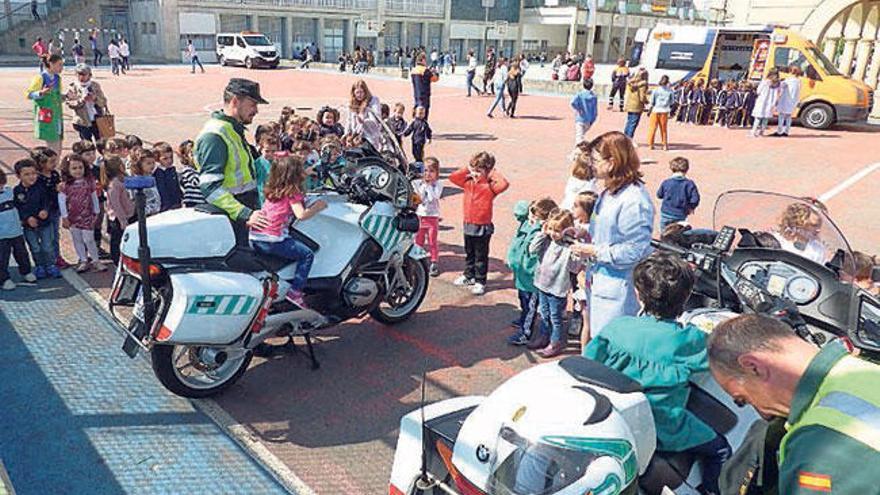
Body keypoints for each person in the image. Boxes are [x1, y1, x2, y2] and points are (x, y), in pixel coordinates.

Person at [586, 252, 732, 495]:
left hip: (620, 421)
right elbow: (719, 356)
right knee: (721, 450)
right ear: (685, 298)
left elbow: (589, 363)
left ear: (638, 294)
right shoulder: (687, 339)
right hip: (665, 429)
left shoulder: (616, 327)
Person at [708, 314, 880, 495]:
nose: (763, 415)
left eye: (744, 399)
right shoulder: (865, 366)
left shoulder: (815, 446)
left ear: (753, 367)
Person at [571, 132, 654, 337]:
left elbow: (635, 250)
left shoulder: (634, 201)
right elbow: (608, 232)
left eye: (595, 159)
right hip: (599, 284)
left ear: (612, 162)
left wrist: (594, 251)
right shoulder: (609, 192)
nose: (591, 164)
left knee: (611, 344)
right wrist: (582, 231)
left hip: (618, 290)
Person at [249, 154, 326, 306]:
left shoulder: (274, 189)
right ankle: (295, 292)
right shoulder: (292, 193)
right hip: (272, 240)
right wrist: (318, 206)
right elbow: (301, 215)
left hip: (255, 237)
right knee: (307, 255)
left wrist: (308, 172)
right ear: (295, 176)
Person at [196, 78, 269, 235]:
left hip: (243, 211)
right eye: (253, 104)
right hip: (230, 220)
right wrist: (244, 213)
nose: (256, 110)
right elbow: (210, 188)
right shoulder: (215, 135)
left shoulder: (233, 129)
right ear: (236, 101)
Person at [449, 152, 510, 296]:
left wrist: (491, 173)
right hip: (468, 223)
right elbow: (453, 178)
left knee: (481, 256)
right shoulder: (467, 182)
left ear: (486, 171)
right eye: (474, 170)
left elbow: (504, 184)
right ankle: (468, 275)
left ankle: (480, 281)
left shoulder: (490, 187)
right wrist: (467, 169)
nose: (476, 174)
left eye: (479, 171)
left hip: (483, 226)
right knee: (469, 253)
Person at [529, 209, 585, 358]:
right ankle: (543, 336)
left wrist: (576, 250)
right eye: (551, 229)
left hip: (557, 288)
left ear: (566, 230)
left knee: (555, 316)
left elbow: (574, 268)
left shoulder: (568, 247)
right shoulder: (546, 240)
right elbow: (532, 249)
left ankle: (556, 342)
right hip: (542, 283)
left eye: (557, 230)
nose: (553, 233)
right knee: (544, 313)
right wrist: (542, 233)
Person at [506, 197, 557, 346]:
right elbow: (519, 210)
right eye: (532, 214)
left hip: (532, 278)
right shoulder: (526, 223)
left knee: (530, 306)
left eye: (537, 217)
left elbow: (535, 252)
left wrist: (543, 228)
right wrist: (530, 208)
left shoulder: (543, 234)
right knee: (523, 301)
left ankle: (525, 332)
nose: (532, 218)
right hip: (521, 274)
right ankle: (524, 319)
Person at [58, 153, 104, 273]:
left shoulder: (89, 182)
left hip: (87, 214)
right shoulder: (65, 185)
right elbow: (62, 201)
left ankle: (95, 260)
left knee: (89, 238)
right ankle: (83, 259)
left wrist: (96, 211)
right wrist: (64, 217)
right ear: (67, 170)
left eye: (80, 167)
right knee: (77, 238)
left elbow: (94, 196)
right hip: (73, 216)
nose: (78, 170)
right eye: (74, 168)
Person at [14, 158, 60, 279]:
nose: (31, 177)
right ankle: (39, 265)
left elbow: (47, 200)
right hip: (29, 226)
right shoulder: (17, 191)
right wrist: (27, 218)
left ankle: (51, 265)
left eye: (33, 173)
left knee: (47, 246)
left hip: (45, 223)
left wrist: (45, 210)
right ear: (19, 176)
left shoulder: (41, 187)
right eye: (27, 174)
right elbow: (18, 208)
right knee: (34, 247)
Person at [0, 170, 37, 290]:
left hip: (16, 232)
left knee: (22, 254)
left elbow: (20, 205)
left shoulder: (9, 192)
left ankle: (26, 272)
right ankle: (4, 279)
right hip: (2, 235)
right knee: (2, 258)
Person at [26, 54, 64, 155]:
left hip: (57, 115)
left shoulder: (57, 78)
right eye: (59, 65)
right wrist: (41, 93)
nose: (62, 68)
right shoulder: (40, 78)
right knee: (52, 145)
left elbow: (58, 96)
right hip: (47, 114)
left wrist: (67, 96)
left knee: (59, 145)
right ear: (51, 64)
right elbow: (29, 94)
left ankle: (56, 167)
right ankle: (52, 167)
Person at [413, 157, 443, 277]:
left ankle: (434, 261)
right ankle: (417, 260)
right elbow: (418, 199)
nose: (428, 174)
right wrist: (422, 186)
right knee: (418, 240)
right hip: (420, 215)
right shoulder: (418, 184)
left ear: (436, 173)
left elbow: (433, 197)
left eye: (431, 171)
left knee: (432, 241)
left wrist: (429, 186)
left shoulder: (438, 185)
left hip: (432, 217)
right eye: (425, 171)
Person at [65, 64, 108, 142]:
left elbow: (104, 101)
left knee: (101, 143)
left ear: (90, 75)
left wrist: (95, 98)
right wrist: (82, 100)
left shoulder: (95, 85)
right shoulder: (73, 86)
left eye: (84, 74)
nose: (81, 77)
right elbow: (70, 103)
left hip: (97, 119)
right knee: (87, 145)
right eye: (79, 74)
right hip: (82, 120)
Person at [656, 157, 700, 230]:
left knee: (664, 233)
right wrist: (691, 207)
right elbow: (695, 199)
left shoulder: (666, 182)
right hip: (680, 214)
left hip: (666, 213)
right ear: (686, 170)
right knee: (678, 233)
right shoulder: (689, 184)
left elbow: (659, 195)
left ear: (672, 169)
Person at [345, 79, 383, 150]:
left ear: (365, 92)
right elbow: (349, 121)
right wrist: (346, 134)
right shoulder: (351, 104)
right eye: (357, 93)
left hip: (370, 136)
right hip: (355, 138)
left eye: (361, 92)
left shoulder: (373, 100)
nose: (359, 95)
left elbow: (377, 118)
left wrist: (364, 121)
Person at [647, 75, 674, 151]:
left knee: (652, 128)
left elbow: (652, 101)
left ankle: (650, 144)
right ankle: (664, 144)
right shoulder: (670, 90)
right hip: (664, 111)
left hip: (655, 110)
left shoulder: (656, 90)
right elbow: (672, 101)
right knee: (663, 129)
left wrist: (650, 109)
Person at [152, 142, 181, 212]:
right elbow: (162, 191)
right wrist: (167, 206)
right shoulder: (159, 173)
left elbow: (177, 186)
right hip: (166, 206)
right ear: (157, 159)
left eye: (171, 157)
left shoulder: (172, 169)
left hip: (177, 203)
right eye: (165, 158)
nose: (169, 161)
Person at [751, 69, 781, 137]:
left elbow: (758, 91)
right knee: (766, 118)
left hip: (762, 101)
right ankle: (761, 132)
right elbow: (779, 92)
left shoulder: (765, 82)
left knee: (758, 118)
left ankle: (753, 132)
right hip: (771, 102)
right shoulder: (778, 83)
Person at [411, 53, 439, 121]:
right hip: (424, 95)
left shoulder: (413, 70)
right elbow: (435, 79)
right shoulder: (425, 70)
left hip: (416, 94)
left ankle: (415, 125)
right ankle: (422, 127)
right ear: (423, 60)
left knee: (416, 110)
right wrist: (435, 72)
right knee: (424, 113)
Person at [774, 66, 802, 137]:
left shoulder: (788, 80)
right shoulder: (798, 81)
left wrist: (780, 80)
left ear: (790, 72)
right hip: (793, 101)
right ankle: (786, 131)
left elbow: (780, 85)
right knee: (789, 116)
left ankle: (779, 131)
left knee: (781, 116)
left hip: (785, 100)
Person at [570, 78, 598, 146]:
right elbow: (595, 111)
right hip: (588, 120)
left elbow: (572, 102)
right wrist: (593, 120)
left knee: (579, 137)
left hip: (580, 118)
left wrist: (578, 109)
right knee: (582, 135)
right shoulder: (594, 96)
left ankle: (578, 151)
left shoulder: (580, 95)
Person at [177, 140, 204, 208]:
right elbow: (195, 182)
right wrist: (202, 170)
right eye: (192, 154)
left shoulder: (200, 170)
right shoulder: (187, 170)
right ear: (186, 157)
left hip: (203, 201)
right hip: (192, 202)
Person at [623, 69, 649, 139]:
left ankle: (625, 137)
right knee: (633, 123)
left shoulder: (631, 82)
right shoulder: (643, 84)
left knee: (629, 122)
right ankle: (629, 139)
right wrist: (647, 101)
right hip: (637, 106)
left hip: (630, 104)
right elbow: (642, 97)